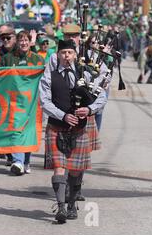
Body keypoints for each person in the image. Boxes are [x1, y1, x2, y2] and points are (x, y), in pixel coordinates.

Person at [39, 39, 108, 223]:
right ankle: (61, 207)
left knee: (76, 171)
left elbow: (102, 96)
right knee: (59, 168)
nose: (66, 56)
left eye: (69, 53)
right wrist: (63, 115)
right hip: (57, 127)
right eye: (63, 53)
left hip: (79, 129)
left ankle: (71, 203)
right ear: (58, 55)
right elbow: (44, 101)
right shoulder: (50, 76)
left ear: (75, 55)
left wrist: (90, 110)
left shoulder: (86, 74)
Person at [0, 30, 45, 175]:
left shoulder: (37, 59)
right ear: (17, 42)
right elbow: (0, 78)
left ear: (30, 42)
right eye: (21, 41)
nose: (24, 43)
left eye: (26, 40)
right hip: (13, 101)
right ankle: (17, 161)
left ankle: (26, 161)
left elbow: (43, 81)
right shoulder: (7, 58)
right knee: (16, 130)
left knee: (29, 131)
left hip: (32, 102)